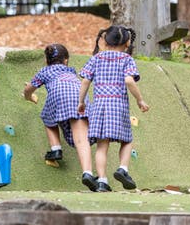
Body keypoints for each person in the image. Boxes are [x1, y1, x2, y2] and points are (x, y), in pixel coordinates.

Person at [77, 25, 149, 192]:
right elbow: (130, 81)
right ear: (127, 43)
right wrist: (140, 100)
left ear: (106, 40)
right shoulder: (126, 59)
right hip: (118, 105)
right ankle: (122, 169)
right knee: (127, 140)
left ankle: (102, 181)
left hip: (99, 105)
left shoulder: (96, 58)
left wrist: (81, 102)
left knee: (102, 145)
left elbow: (85, 81)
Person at [24, 44, 96, 190]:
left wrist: (29, 97)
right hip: (79, 96)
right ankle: (87, 173)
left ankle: (56, 148)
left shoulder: (44, 71)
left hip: (58, 95)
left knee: (48, 118)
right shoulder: (71, 72)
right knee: (81, 138)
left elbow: (28, 89)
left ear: (46, 60)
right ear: (66, 61)